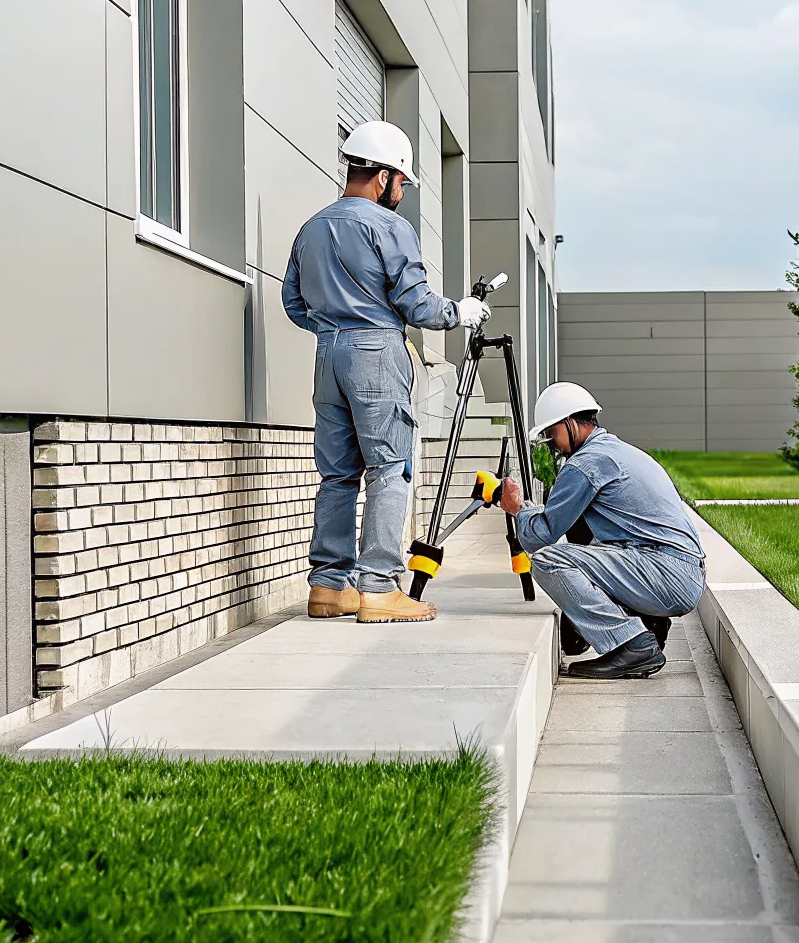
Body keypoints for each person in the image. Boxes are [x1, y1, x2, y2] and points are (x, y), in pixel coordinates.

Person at [284, 121, 491, 624]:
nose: (401, 193)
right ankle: (377, 587)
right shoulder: (390, 226)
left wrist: (334, 328)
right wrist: (459, 313)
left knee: (337, 475)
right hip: (376, 353)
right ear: (382, 177)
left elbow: (293, 302)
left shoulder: (311, 228)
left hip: (327, 355)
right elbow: (416, 304)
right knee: (389, 468)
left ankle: (328, 587)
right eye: (401, 182)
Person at [499, 382, 706, 679]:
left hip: (668, 575)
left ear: (570, 423)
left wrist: (517, 508)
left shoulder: (585, 464)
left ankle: (632, 643)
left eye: (551, 433)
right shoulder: (616, 451)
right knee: (583, 535)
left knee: (549, 559)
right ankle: (645, 622)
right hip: (681, 571)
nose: (551, 444)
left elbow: (541, 535)